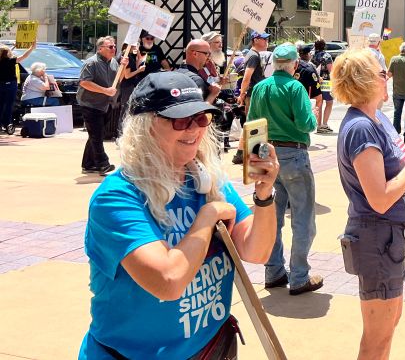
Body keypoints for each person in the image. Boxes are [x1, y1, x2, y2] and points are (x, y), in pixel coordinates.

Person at [79, 71, 279, 358]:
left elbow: (257, 251)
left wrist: (264, 195)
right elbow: (168, 281)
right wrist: (207, 218)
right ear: (146, 126)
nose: (193, 130)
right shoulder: (117, 197)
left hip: (211, 348)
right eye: (180, 120)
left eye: (201, 118)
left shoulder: (207, 179)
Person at [333, 49, 405, 360]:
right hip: (376, 235)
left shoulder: (377, 118)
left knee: (389, 323)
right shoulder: (361, 128)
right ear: (366, 81)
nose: (387, 78)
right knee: (377, 337)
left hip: (393, 236)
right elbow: (379, 199)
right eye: (382, 73)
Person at [246, 42, 323, 295]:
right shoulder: (295, 87)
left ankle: (274, 270)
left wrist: (254, 160)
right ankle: (300, 275)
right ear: (294, 65)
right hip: (294, 154)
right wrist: (312, 113)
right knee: (302, 218)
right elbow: (306, 125)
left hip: (265, 154)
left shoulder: (260, 87)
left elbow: (252, 125)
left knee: (271, 218)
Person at [78, 36, 120, 176]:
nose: (113, 49)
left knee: (97, 134)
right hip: (90, 103)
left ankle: (88, 164)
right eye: (110, 47)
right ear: (100, 48)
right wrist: (105, 90)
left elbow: (119, 78)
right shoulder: (91, 63)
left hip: (105, 104)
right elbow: (84, 82)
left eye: (114, 46)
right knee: (96, 135)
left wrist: (124, 67)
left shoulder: (114, 62)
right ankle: (103, 164)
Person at [234, 31, 272, 164]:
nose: (267, 41)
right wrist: (242, 94)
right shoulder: (254, 56)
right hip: (253, 95)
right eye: (264, 39)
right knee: (255, 123)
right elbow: (247, 77)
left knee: (252, 123)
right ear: (255, 40)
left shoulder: (253, 55)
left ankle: (240, 152)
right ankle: (251, 153)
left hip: (253, 94)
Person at [0, 41, 34, 131]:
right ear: (7, 53)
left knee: (1, 104)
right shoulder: (11, 61)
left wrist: (13, 47)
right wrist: (31, 48)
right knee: (9, 105)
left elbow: (5, 53)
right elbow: (24, 56)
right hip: (10, 85)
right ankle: (7, 123)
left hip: (1, 85)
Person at [313, 39, 335, 134]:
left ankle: (318, 125)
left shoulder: (312, 56)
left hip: (316, 81)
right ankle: (324, 124)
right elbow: (331, 70)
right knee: (329, 102)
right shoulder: (327, 56)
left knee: (319, 102)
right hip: (326, 81)